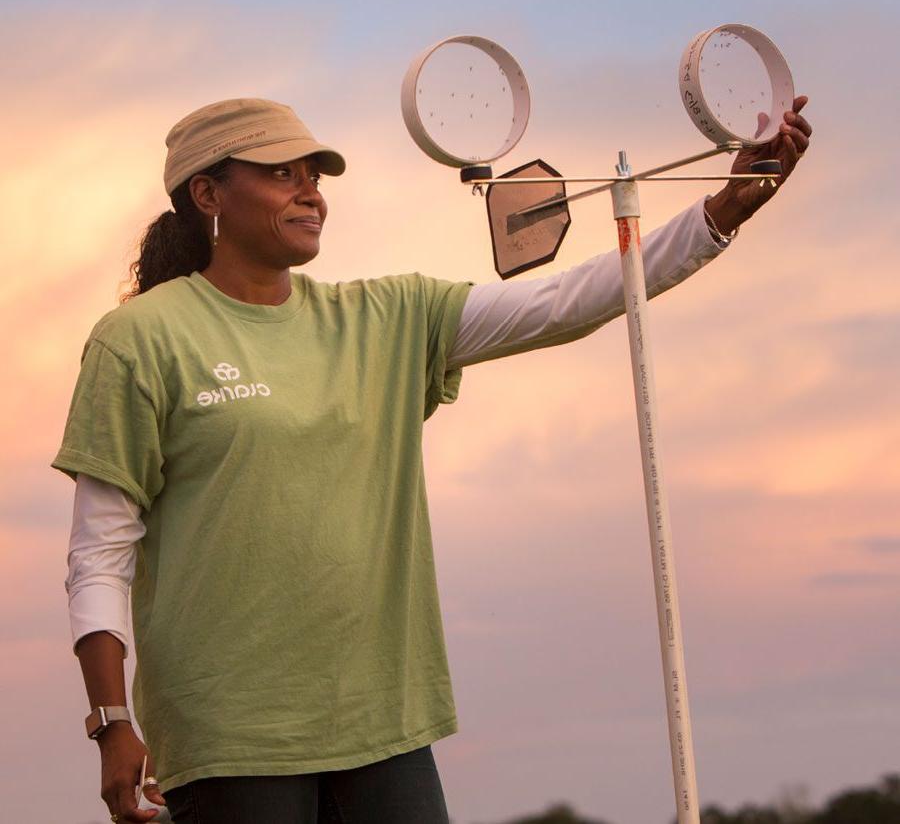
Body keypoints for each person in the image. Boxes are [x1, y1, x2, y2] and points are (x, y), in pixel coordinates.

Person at [52, 96, 812, 824]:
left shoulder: (386, 317)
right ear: (208, 192)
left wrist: (725, 210)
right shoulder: (140, 338)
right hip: (231, 734)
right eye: (282, 173)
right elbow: (100, 555)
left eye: (314, 175)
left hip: (383, 719)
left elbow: (570, 300)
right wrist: (112, 721)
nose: (311, 192)